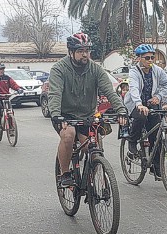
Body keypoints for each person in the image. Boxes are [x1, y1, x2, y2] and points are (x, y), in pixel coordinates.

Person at [48, 32, 128, 188]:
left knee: (93, 147)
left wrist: (121, 110)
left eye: (87, 50)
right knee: (69, 136)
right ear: (71, 52)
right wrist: (56, 115)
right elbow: (55, 93)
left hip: (87, 116)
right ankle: (65, 173)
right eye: (80, 51)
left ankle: (92, 175)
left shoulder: (95, 69)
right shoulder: (59, 69)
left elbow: (110, 91)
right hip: (65, 116)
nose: (85, 54)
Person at [123, 43, 167, 180]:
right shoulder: (134, 72)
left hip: (151, 104)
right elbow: (133, 88)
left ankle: (156, 167)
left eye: (152, 57)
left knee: (157, 135)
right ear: (139, 58)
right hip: (136, 104)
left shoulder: (157, 70)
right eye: (147, 58)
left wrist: (159, 97)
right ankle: (132, 141)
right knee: (141, 117)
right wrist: (139, 104)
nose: (150, 60)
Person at [0, 63, 24, 128]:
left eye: (2, 69)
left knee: (10, 110)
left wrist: (18, 89)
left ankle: (11, 126)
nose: (1, 71)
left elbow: (13, 84)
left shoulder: (7, 78)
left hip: (5, 96)